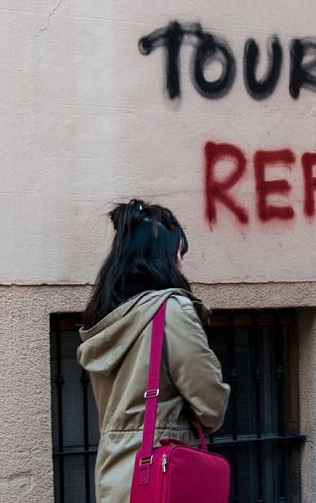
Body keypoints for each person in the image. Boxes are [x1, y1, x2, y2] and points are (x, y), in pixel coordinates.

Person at [77, 199, 230, 503]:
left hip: (115, 477)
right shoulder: (171, 311)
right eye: (179, 256)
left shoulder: (104, 317)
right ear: (163, 259)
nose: (183, 266)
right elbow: (211, 405)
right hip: (162, 475)